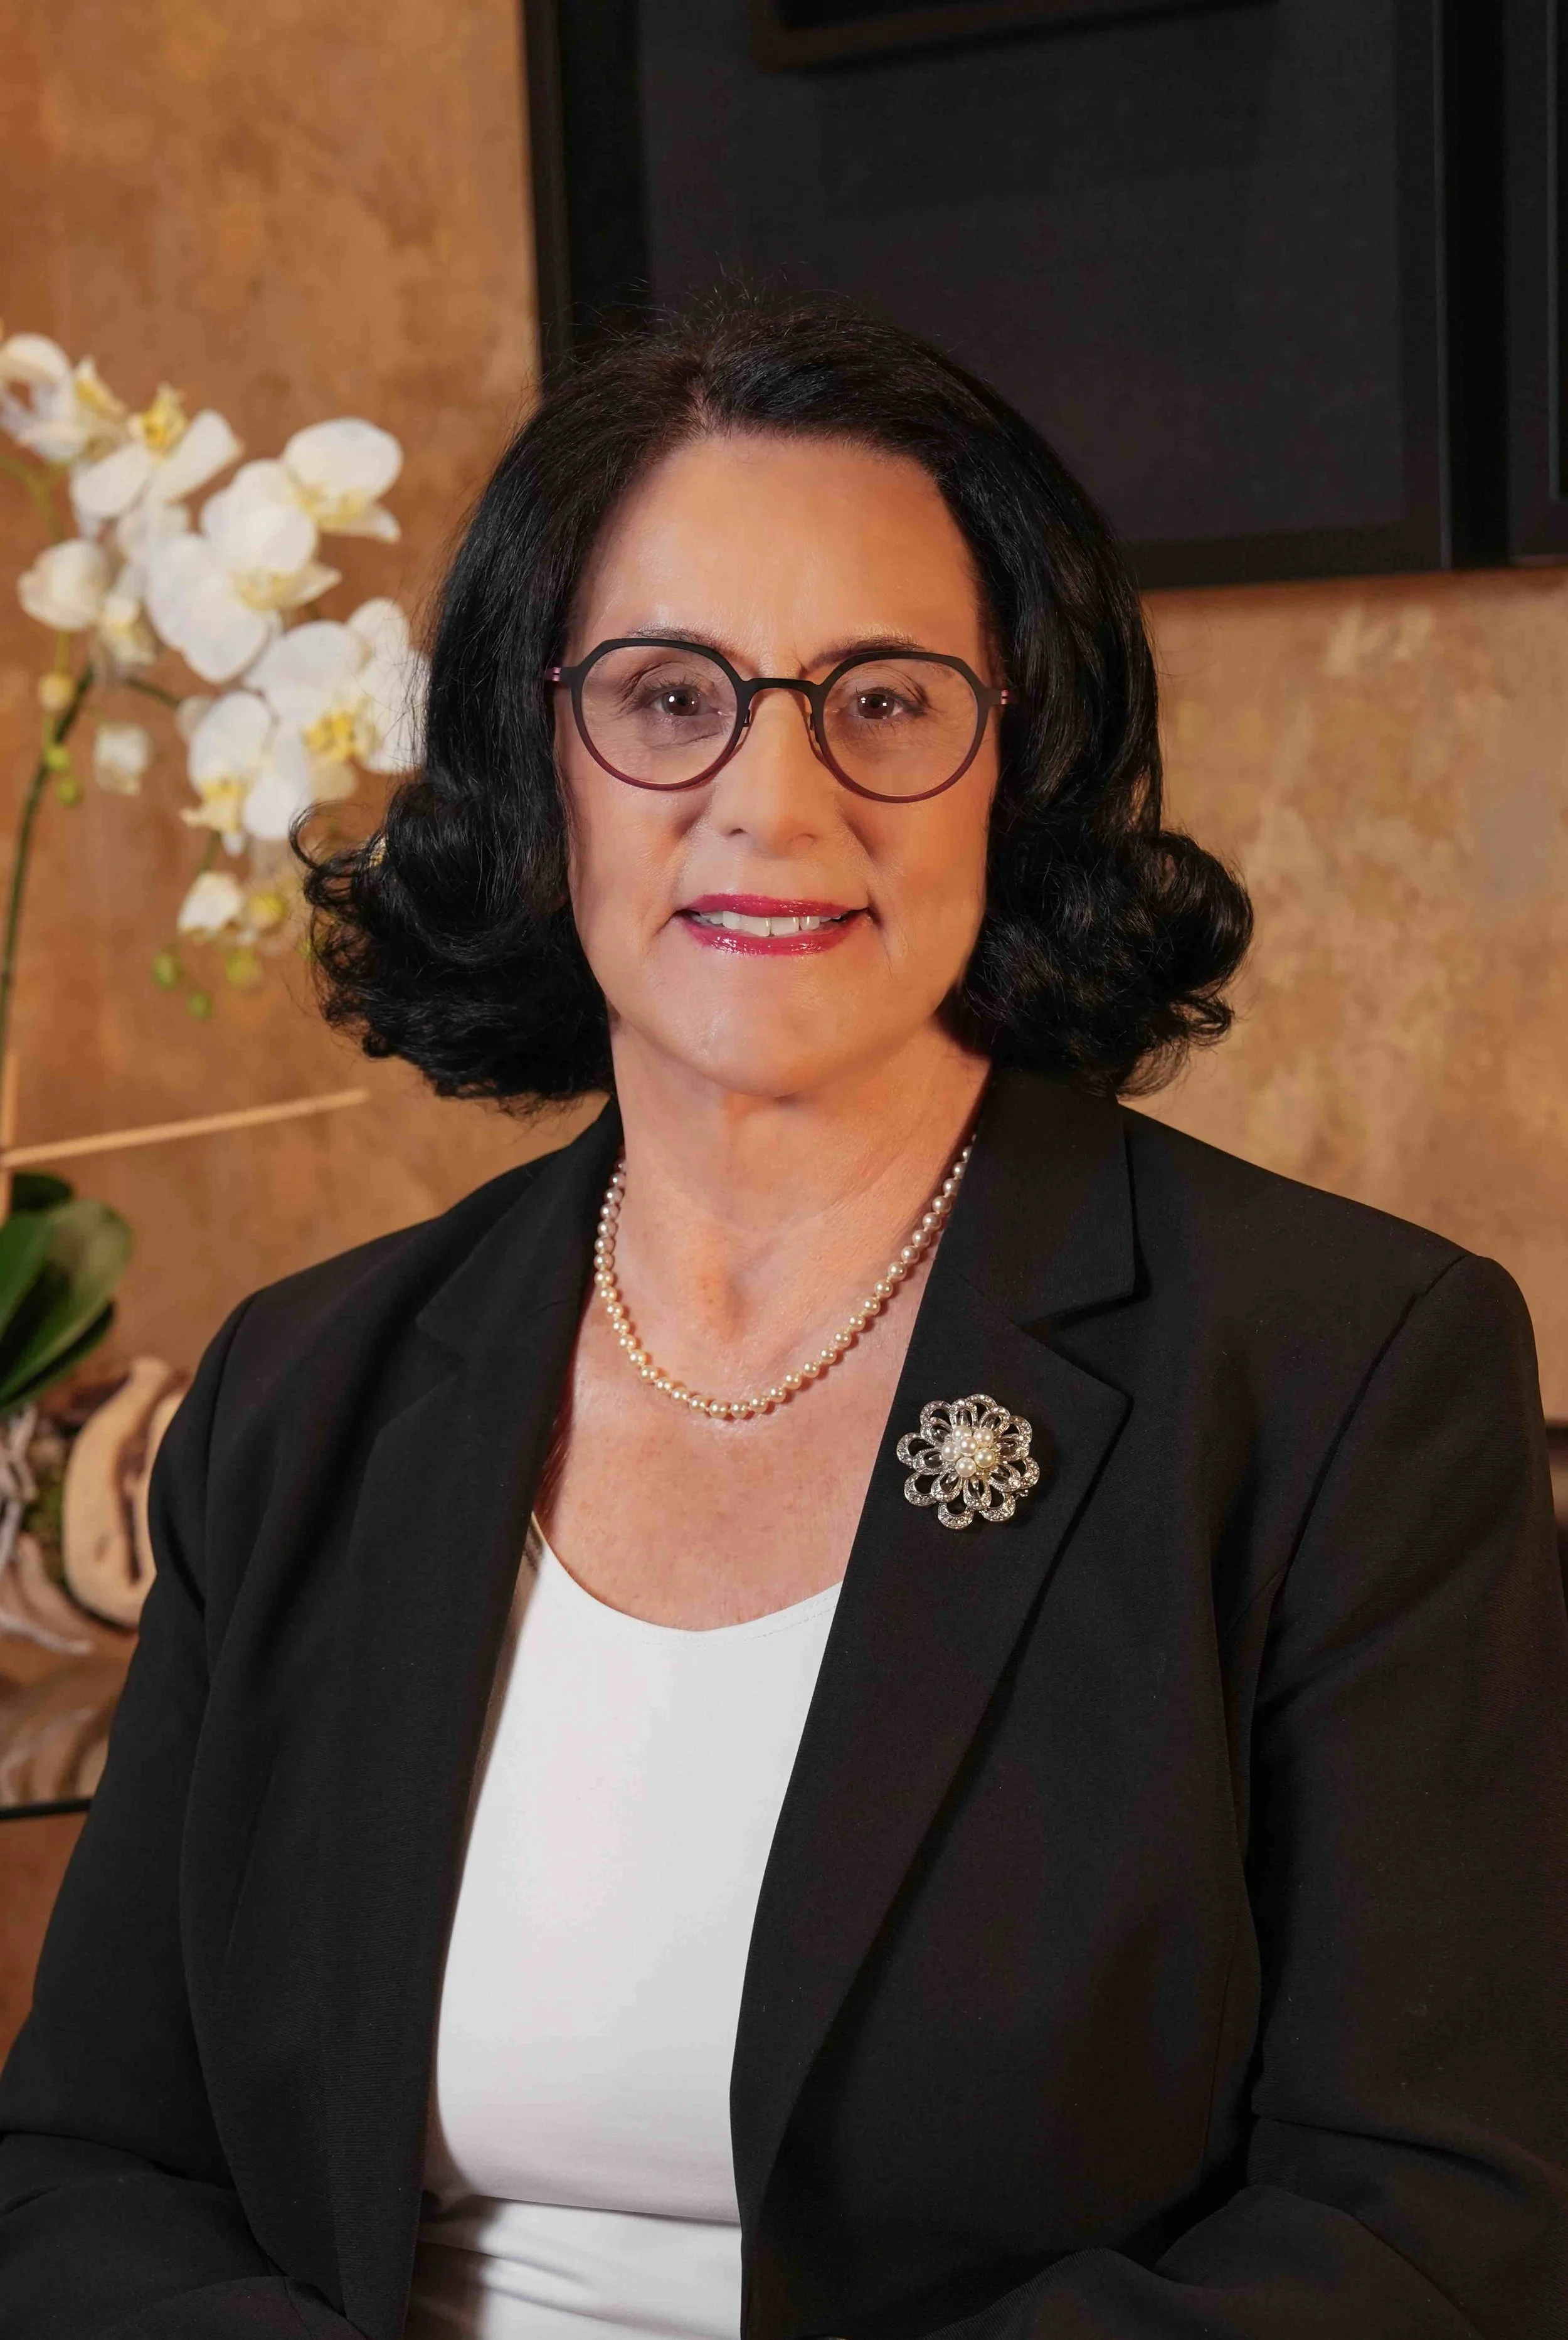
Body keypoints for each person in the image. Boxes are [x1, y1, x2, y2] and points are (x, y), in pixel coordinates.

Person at [1, 287, 1564, 2340]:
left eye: (886, 701)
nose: (774, 799)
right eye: (665, 698)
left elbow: (1429, 2224)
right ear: (527, 755)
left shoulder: (1342, 1377)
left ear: (1023, 760)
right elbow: (85, 2174)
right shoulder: (306, 1385)